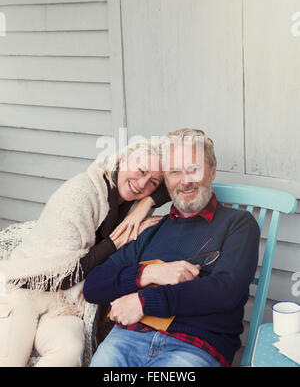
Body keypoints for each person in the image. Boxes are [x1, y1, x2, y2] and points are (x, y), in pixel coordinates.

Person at [83, 128, 261, 367]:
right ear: (165, 180)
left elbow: (225, 290)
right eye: (175, 171)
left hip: (194, 348)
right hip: (128, 340)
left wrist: (144, 302)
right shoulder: (153, 230)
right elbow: (94, 285)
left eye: (193, 169)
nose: (185, 180)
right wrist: (150, 273)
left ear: (213, 169)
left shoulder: (238, 224)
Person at [0, 138, 169, 367]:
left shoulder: (128, 206)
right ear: (122, 159)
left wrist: (146, 203)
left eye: (153, 182)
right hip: (26, 287)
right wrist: (114, 243)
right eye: (140, 170)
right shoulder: (82, 192)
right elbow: (66, 272)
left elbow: (178, 183)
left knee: (68, 355)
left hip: (66, 302)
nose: (141, 184)